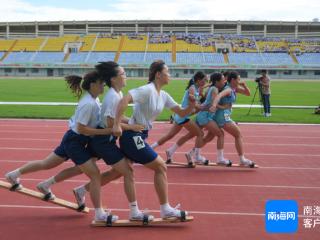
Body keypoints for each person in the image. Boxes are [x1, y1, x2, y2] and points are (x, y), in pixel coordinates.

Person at [5, 71, 118, 222]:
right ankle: (100, 214)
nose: (103, 85)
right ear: (92, 84)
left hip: (73, 139)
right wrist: (107, 130)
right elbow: (82, 128)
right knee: (95, 174)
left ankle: (21, 177)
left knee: (48, 164)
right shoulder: (89, 104)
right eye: (100, 83)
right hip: (75, 141)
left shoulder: (94, 100)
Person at [112, 60, 195, 219]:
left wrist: (191, 106)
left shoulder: (163, 95)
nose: (170, 75)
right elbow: (124, 101)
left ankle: (83, 190)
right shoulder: (147, 90)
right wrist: (116, 124)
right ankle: (165, 209)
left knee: (116, 173)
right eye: (167, 71)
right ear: (158, 74)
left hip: (141, 135)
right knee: (160, 166)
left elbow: (182, 113)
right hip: (132, 136)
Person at [150, 71, 207, 164]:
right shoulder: (193, 88)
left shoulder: (196, 87)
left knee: (170, 136)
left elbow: (196, 99)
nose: (205, 82)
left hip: (181, 116)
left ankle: (158, 149)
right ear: (198, 80)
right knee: (200, 134)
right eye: (204, 80)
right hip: (183, 116)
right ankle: (197, 156)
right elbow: (192, 99)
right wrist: (202, 106)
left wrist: (200, 99)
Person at [210, 71, 256, 167]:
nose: (239, 81)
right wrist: (215, 105)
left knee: (210, 137)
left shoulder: (234, 88)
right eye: (238, 79)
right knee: (238, 134)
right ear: (233, 80)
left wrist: (244, 85)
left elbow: (248, 93)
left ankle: (193, 152)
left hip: (222, 115)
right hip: (223, 116)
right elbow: (218, 96)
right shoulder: (228, 89)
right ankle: (242, 159)